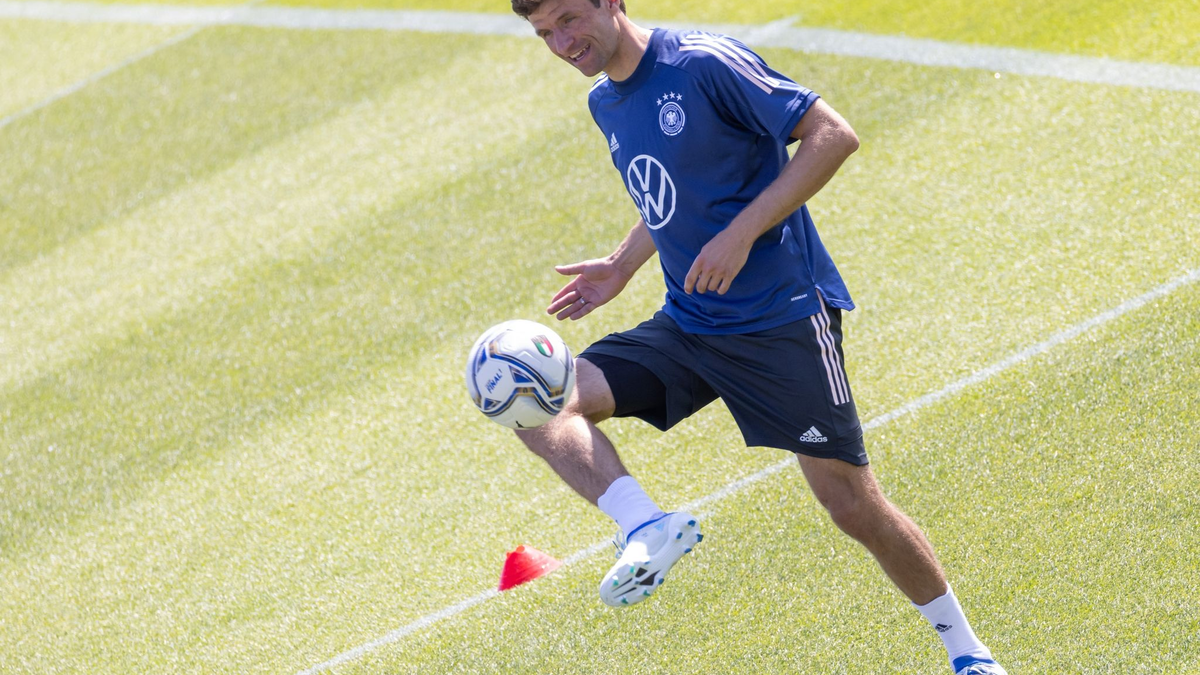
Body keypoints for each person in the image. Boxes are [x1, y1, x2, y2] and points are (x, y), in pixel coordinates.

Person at [508, 1, 1007, 673]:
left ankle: (968, 652)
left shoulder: (703, 63)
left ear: (611, 2)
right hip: (691, 322)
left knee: (849, 503)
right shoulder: (607, 103)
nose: (563, 41)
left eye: (570, 17)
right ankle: (646, 525)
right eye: (546, 33)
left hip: (781, 320)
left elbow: (832, 134)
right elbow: (674, 191)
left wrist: (742, 233)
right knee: (534, 397)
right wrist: (621, 265)